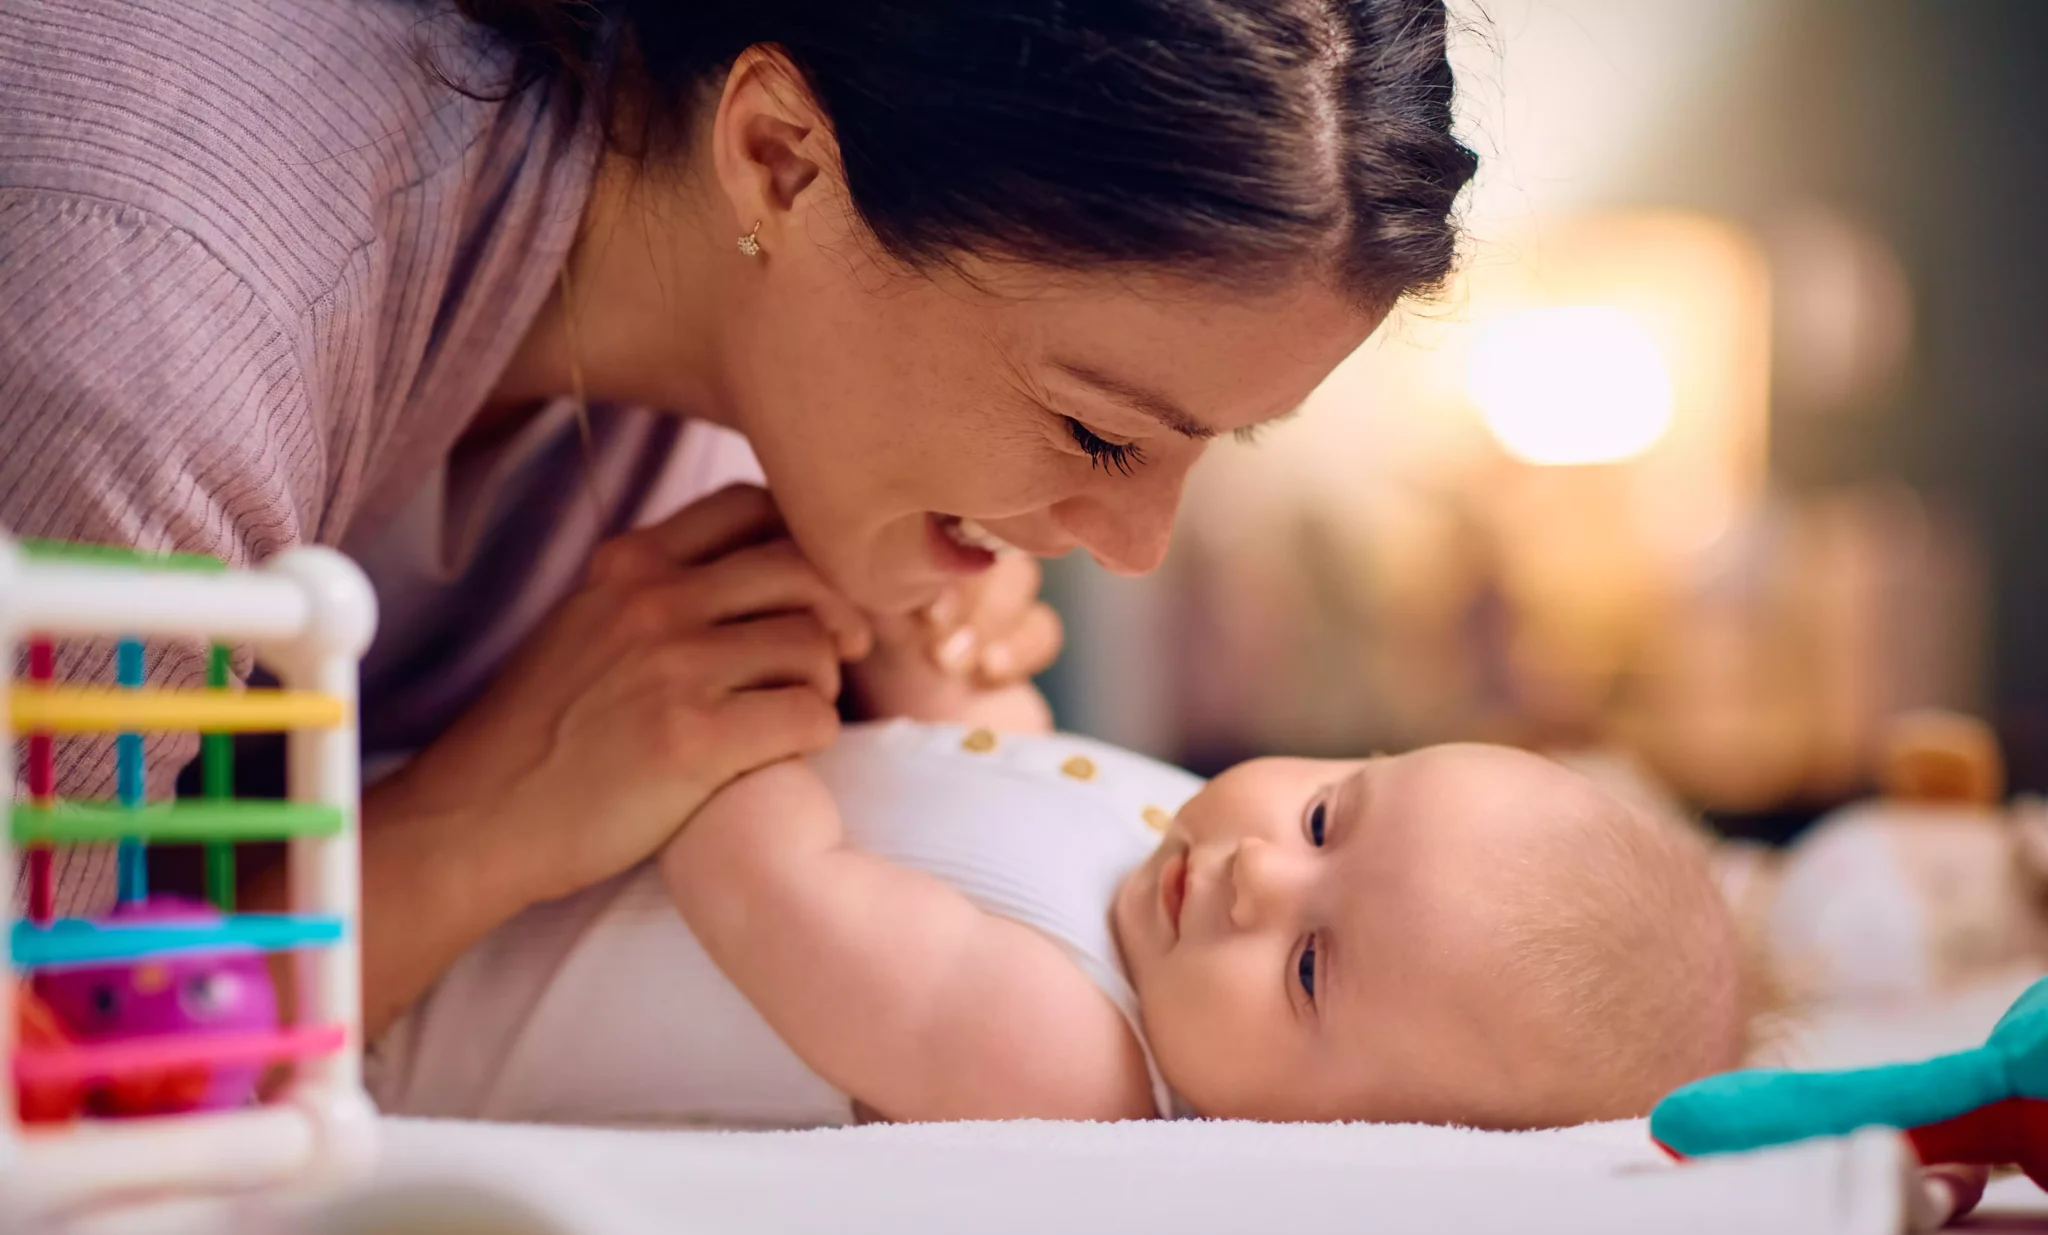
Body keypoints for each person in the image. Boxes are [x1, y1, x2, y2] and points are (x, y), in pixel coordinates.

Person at [0, 0, 1475, 1039]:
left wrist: (886, 703)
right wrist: (469, 832)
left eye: (1199, 447)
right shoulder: (155, 346)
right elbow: (33, 1060)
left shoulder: (752, 369)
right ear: (782, 156)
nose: (1133, 543)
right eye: (1097, 431)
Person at [371, 704, 1748, 1128]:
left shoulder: (1067, 1058)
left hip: (416, 992)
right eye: (1331, 817)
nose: (1262, 874)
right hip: (482, 794)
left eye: (1312, 973)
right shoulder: (1187, 851)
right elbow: (992, 777)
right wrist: (936, 664)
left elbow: (763, 887)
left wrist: (739, 710)